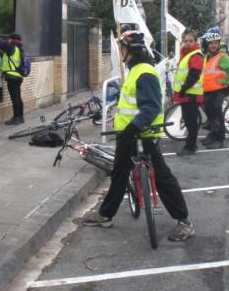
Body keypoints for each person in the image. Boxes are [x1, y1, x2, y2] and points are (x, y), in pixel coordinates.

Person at [82, 31, 195, 242]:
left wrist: (133, 128)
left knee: (162, 177)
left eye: (123, 48)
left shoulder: (144, 72)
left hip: (144, 135)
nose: (120, 52)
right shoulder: (134, 70)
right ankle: (105, 214)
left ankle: (184, 222)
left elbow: (151, 107)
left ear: (131, 51)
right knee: (119, 174)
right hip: (128, 135)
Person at [201, 28, 229, 149]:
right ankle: (213, 134)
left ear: (218, 43)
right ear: (207, 44)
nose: (213, 45)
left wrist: (226, 82)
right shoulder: (209, 56)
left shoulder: (221, 56)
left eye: (216, 43)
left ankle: (219, 139)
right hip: (209, 90)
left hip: (218, 90)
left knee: (216, 115)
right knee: (211, 115)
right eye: (211, 43)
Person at [173, 32, 204, 156]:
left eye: (190, 41)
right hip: (188, 94)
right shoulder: (187, 54)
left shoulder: (195, 55)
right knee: (191, 121)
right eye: (186, 41)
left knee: (191, 122)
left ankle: (190, 147)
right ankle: (191, 145)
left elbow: (194, 75)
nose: (188, 43)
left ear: (196, 42)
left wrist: (184, 88)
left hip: (190, 94)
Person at [0, 34, 25, 125]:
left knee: (15, 98)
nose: (7, 40)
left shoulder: (11, 48)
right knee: (18, 97)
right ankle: (20, 117)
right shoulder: (18, 49)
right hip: (18, 76)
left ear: (12, 40)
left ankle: (16, 118)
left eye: (9, 39)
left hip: (12, 77)